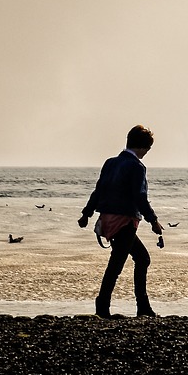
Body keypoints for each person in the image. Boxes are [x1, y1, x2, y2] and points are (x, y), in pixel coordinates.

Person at [78, 125, 163, 318]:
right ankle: (107, 308)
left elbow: (98, 190)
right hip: (125, 221)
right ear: (143, 147)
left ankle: (140, 307)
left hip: (108, 219)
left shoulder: (110, 163)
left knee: (141, 259)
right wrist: (153, 221)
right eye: (147, 149)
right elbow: (139, 197)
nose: (147, 153)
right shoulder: (137, 167)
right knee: (117, 265)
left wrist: (86, 213)